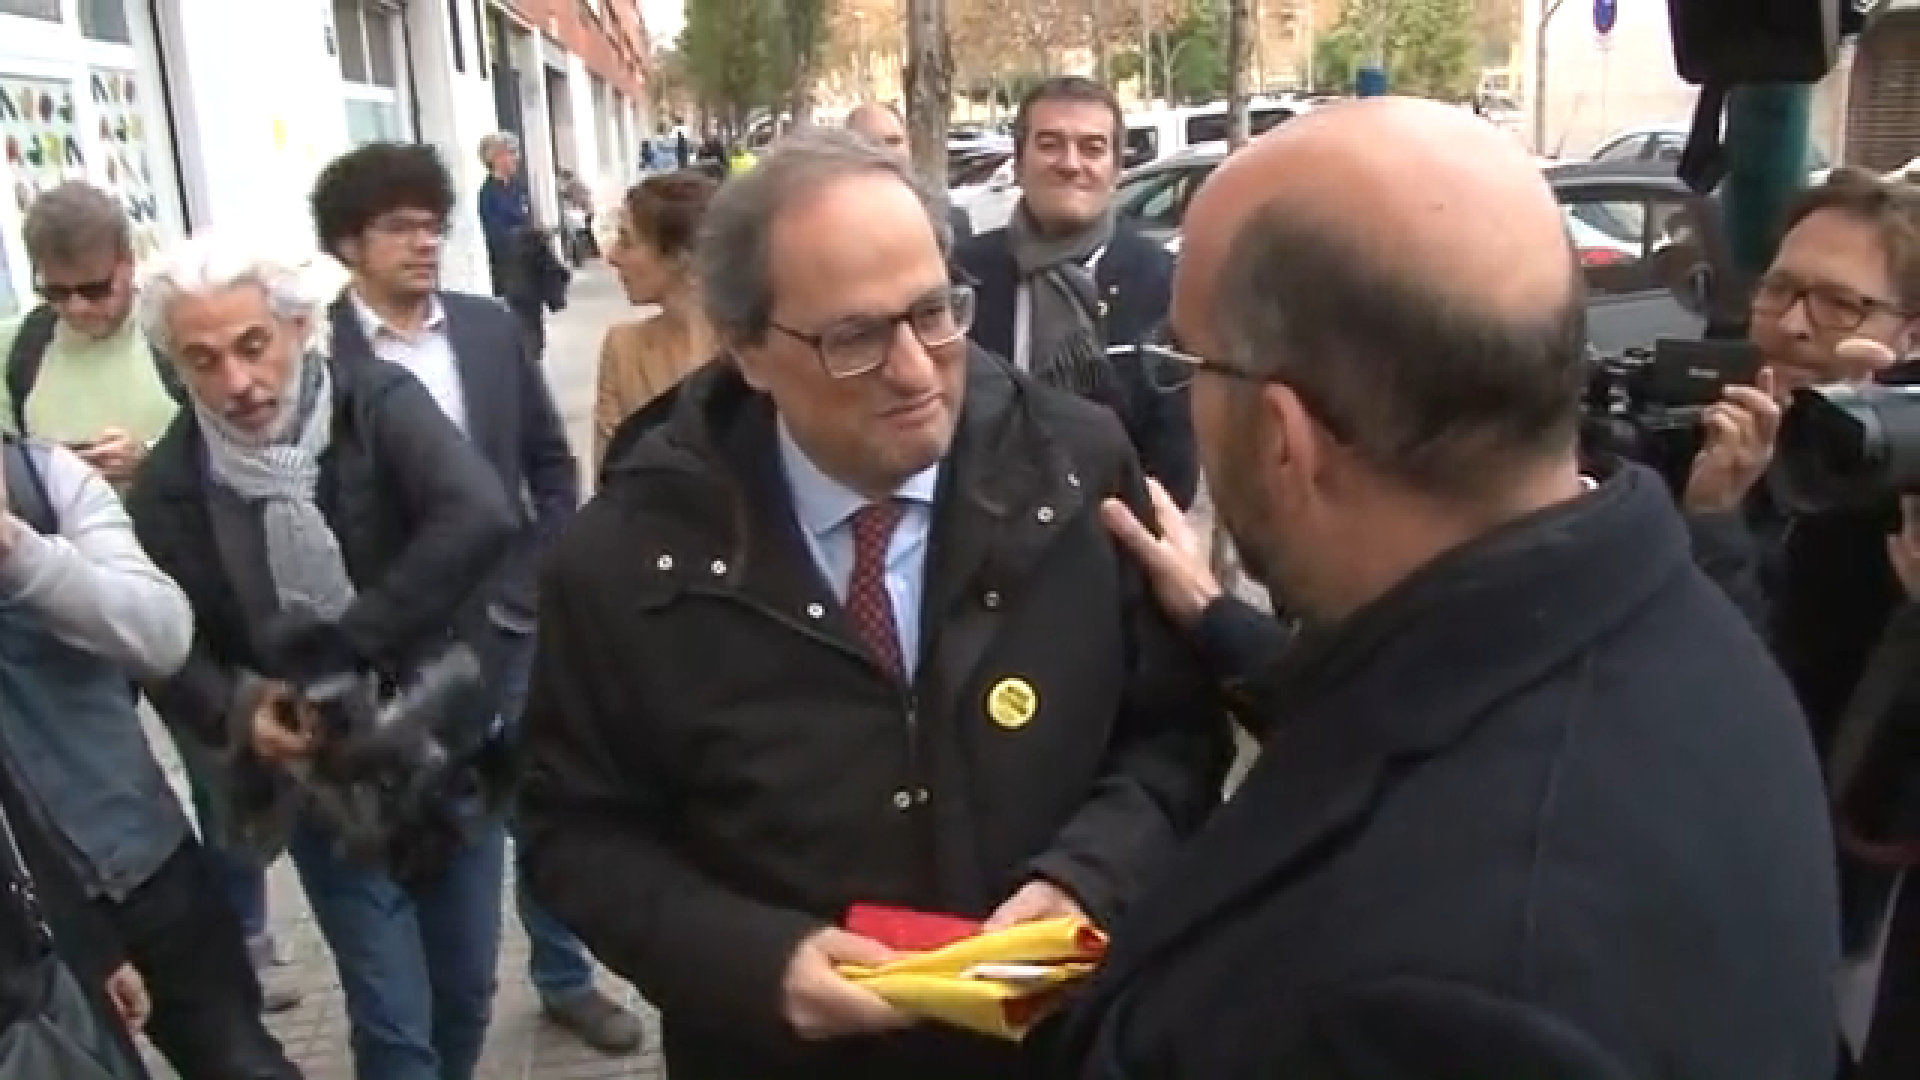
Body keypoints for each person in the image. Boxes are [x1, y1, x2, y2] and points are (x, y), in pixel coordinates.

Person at [1053, 96, 1838, 1078]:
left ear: (1282, 435)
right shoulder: (1677, 636)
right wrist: (1218, 626)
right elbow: (1431, 696)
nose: (1184, 397)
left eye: (1186, 362)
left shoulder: (1447, 987)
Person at [519, 126, 1230, 1080]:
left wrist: (1085, 879)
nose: (916, 369)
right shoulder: (627, 557)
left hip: (1064, 1045)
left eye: (935, 312)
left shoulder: (1076, 465)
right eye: (854, 337)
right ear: (749, 353)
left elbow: (1173, 738)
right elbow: (577, 834)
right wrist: (753, 963)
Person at [126, 235, 520, 1080]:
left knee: (467, 988)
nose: (236, 382)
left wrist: (346, 644)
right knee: (391, 1016)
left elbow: (480, 513)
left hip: (442, 748)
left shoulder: (375, 404)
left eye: (252, 346)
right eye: (203, 360)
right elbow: (167, 644)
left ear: (299, 327)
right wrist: (240, 707)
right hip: (322, 785)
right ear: (177, 367)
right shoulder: (171, 487)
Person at [308, 141, 641, 1058]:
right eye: (397, 228)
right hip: (392, 654)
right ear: (346, 243)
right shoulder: (315, 357)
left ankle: (566, 976)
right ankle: (424, 1005)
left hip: (508, 629)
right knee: (428, 850)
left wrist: (534, 581)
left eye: (431, 225)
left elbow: (544, 462)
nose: (423, 243)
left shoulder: (489, 329)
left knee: (544, 800)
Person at [0, 180, 294, 1009]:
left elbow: (237, 426)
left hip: (176, 587)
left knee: (212, 768)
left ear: (128, 266)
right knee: (101, 776)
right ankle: (107, 940)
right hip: (68, 597)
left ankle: (242, 936)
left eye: (95, 287)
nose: (80, 308)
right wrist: (56, 468)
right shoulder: (22, 349)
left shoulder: (173, 340)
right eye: (57, 293)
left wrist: (151, 457)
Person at [0, 428, 300, 1079]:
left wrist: (19, 551)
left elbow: (160, 632)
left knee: (240, 1063)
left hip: (138, 865)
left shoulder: (42, 478)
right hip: (22, 933)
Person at [955, 77, 1195, 508]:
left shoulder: (1163, 282)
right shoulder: (962, 274)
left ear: (1117, 169)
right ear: (1019, 160)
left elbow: (1175, 455)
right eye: (1049, 144)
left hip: (1117, 542)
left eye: (1092, 148)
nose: (1070, 163)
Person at [594, 169, 718, 472]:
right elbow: (608, 481)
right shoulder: (622, 349)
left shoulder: (759, 349)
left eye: (627, 241)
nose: (611, 257)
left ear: (680, 257)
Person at [477, 132, 567, 353]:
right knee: (521, 326)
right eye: (511, 153)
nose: (517, 158)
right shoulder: (488, 193)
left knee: (535, 325)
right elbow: (497, 234)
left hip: (532, 266)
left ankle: (534, 361)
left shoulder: (519, 187)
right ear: (496, 157)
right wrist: (529, 233)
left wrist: (539, 233)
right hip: (511, 271)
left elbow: (527, 219)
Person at [845, 103, 973, 242]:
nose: (885, 152)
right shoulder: (832, 223)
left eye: (893, 141)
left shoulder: (948, 220)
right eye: (871, 144)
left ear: (908, 145)